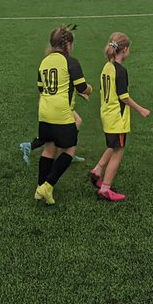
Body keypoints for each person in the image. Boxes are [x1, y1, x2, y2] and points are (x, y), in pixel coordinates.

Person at [33, 25, 92, 205]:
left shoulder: (44, 61)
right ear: (68, 44)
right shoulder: (70, 61)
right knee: (69, 149)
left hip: (44, 110)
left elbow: (41, 88)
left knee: (49, 148)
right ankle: (48, 185)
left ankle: (39, 187)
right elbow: (82, 87)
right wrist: (89, 89)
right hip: (61, 112)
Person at [89, 33, 150, 201]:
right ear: (125, 50)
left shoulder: (106, 66)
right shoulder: (121, 71)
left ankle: (97, 171)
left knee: (113, 144)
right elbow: (124, 97)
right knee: (118, 151)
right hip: (117, 118)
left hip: (107, 114)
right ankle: (105, 189)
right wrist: (141, 109)